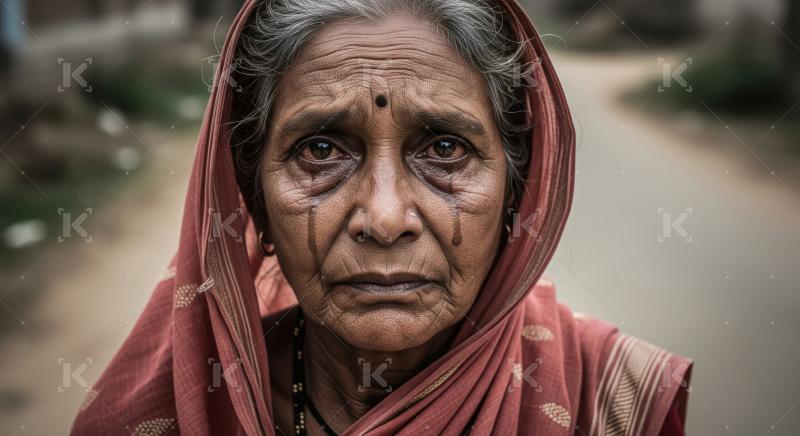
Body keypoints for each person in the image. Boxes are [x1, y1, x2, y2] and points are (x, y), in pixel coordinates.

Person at [70, 0, 692, 434]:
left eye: (445, 148)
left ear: (517, 189)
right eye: (321, 150)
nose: (385, 217)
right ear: (251, 193)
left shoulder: (611, 403)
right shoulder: (187, 407)